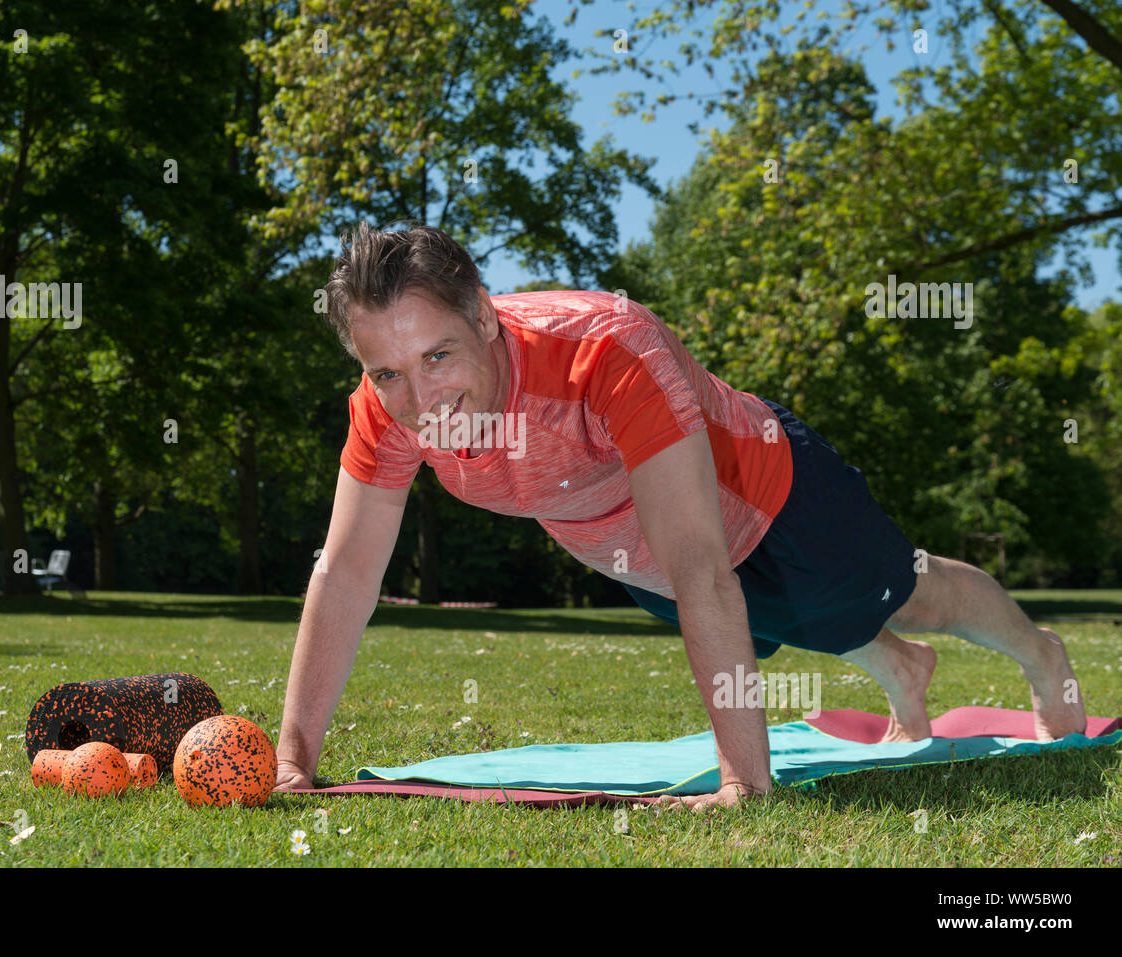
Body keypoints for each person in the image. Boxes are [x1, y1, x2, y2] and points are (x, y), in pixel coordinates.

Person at [272, 221, 1087, 811]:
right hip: (637, 553)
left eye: (438, 357)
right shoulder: (384, 410)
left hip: (768, 492)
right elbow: (345, 573)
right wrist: (292, 762)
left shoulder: (605, 351)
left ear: (484, 317)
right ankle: (897, 669)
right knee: (787, 623)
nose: (419, 403)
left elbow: (703, 561)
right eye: (386, 372)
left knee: (907, 591)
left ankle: (1038, 651)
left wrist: (744, 782)